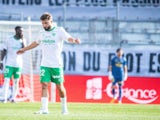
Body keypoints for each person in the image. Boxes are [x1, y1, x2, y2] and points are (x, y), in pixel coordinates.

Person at [17, 12, 81, 114]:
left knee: (59, 87)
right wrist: (24, 49)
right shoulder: (41, 32)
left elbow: (68, 38)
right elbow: (36, 43)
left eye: (46, 23)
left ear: (51, 21)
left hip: (56, 65)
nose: (44, 25)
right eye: (43, 23)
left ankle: (64, 109)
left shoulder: (59, 30)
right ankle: (44, 109)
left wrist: (74, 40)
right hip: (45, 64)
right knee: (44, 85)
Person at [0, 26, 26, 103]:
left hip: (18, 64)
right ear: (16, 31)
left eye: (22, 31)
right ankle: (4, 98)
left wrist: (22, 41)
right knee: (7, 80)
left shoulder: (23, 40)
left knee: (16, 81)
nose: (21, 32)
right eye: (20, 31)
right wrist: (1, 61)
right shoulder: (9, 39)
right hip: (9, 63)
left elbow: (23, 50)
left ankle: (13, 98)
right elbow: (3, 50)